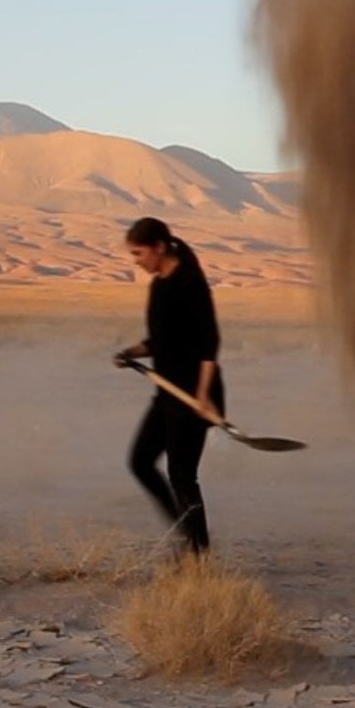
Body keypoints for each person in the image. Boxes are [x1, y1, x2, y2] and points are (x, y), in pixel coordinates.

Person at [113, 217, 226, 555]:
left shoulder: (189, 283)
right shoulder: (159, 284)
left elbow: (209, 346)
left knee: (181, 474)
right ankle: (185, 532)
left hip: (193, 396)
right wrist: (132, 352)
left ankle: (197, 553)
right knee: (140, 461)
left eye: (139, 253)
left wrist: (203, 396)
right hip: (167, 393)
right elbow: (161, 340)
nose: (137, 260)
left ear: (159, 247)